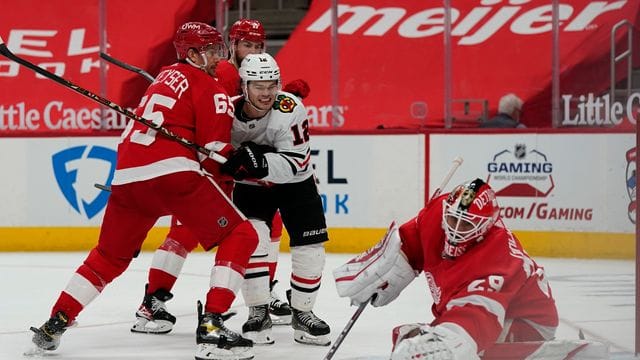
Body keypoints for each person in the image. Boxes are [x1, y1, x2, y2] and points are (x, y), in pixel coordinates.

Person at [30, 22, 260, 360]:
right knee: (242, 235)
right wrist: (240, 162)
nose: (218, 58)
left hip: (126, 177)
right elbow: (215, 150)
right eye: (211, 52)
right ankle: (211, 326)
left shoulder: (163, 79)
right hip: (172, 175)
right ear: (193, 54)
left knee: (108, 258)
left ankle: (55, 323)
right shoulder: (211, 87)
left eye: (219, 50)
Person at [131, 19, 293, 336]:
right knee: (185, 234)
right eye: (247, 45)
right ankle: (153, 301)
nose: (253, 52)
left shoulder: (253, 72)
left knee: (267, 224)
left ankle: (264, 291)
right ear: (233, 45)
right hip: (207, 165)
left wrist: (284, 101)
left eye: (259, 46)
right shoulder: (223, 72)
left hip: (233, 164)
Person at [334, 178, 558, 359]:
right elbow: (414, 241)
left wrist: (451, 339)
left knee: (431, 350)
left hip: (524, 327)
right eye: (452, 220)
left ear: (486, 226)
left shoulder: (498, 257)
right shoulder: (438, 212)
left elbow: (479, 314)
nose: (456, 230)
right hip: (478, 315)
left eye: (467, 224)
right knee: (407, 338)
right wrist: (392, 271)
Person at [218, 53, 331, 346]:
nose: (266, 92)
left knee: (311, 247)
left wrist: (260, 160)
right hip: (250, 187)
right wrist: (223, 158)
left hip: (296, 183)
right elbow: (215, 152)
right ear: (244, 86)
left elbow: (295, 162)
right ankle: (258, 311)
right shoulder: (225, 112)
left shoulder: (290, 107)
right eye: (258, 85)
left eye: (271, 84)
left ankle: (304, 313)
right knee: (252, 240)